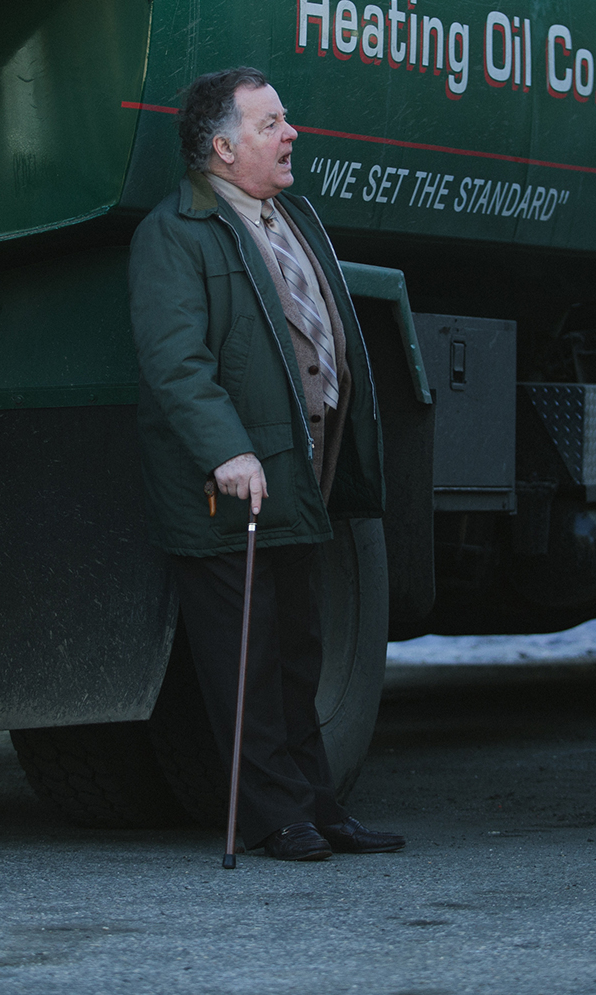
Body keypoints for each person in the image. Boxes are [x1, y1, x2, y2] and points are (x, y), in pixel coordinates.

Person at [128, 66, 404, 862]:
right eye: (270, 124)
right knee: (243, 664)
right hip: (229, 490)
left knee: (295, 656)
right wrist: (227, 451)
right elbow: (175, 364)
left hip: (295, 480)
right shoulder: (176, 233)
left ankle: (318, 805)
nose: (291, 134)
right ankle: (273, 817)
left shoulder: (291, 217)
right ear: (223, 148)